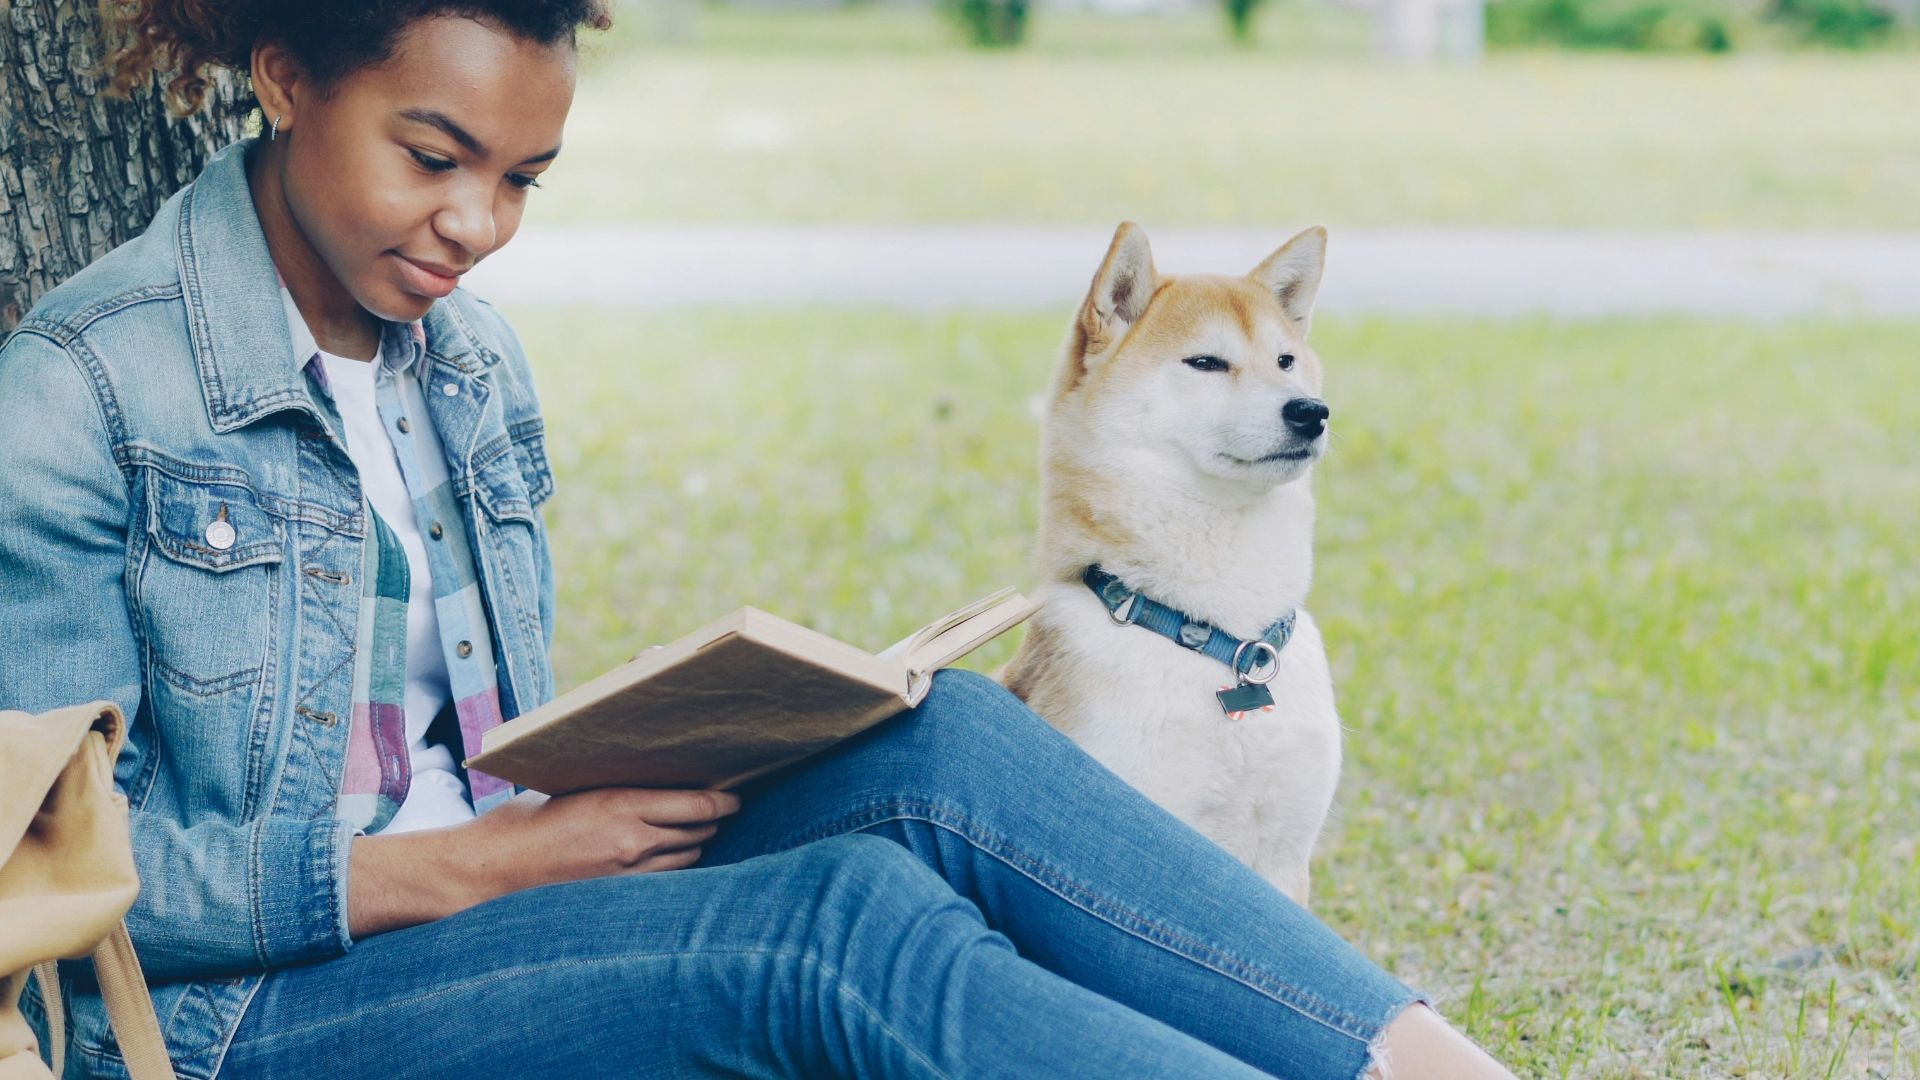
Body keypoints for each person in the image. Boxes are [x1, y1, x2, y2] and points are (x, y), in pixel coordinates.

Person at [0, 4, 1517, 1078]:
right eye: (435, 155)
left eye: (522, 179)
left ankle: (1424, 1064)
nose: (477, 223)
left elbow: (436, 729)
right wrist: (472, 866)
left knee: (947, 748)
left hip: (509, 889)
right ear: (282, 79)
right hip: (239, 1021)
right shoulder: (79, 393)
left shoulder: (465, 364)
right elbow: (51, 886)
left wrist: (629, 762)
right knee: (835, 932)